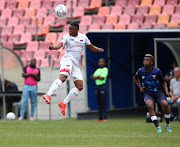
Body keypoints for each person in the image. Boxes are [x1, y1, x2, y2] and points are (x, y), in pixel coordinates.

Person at [42, 23, 104, 115]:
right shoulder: (66, 37)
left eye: (71, 29)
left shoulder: (83, 37)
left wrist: (98, 49)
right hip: (67, 60)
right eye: (69, 29)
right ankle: (48, 94)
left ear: (77, 30)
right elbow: (60, 45)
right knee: (63, 77)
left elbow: (91, 47)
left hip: (75, 64)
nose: (69, 30)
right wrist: (54, 47)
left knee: (79, 86)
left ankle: (63, 103)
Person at [134, 54, 172, 132]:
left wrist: (166, 92)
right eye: (144, 60)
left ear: (151, 62)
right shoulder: (140, 71)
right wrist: (140, 87)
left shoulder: (157, 71)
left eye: (147, 60)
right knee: (150, 105)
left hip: (158, 92)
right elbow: (135, 79)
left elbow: (163, 82)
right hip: (148, 93)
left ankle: (167, 125)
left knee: (165, 104)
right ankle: (158, 127)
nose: (145, 62)